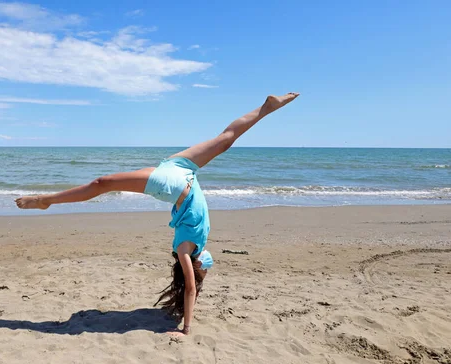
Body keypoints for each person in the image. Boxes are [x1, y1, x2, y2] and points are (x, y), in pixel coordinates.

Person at [15, 93, 299, 335]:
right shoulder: (193, 250)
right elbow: (191, 286)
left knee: (223, 140)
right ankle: (267, 108)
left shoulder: (194, 246)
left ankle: (47, 200)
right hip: (179, 178)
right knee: (104, 182)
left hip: (179, 175)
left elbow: (195, 280)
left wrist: (189, 312)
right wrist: (187, 321)